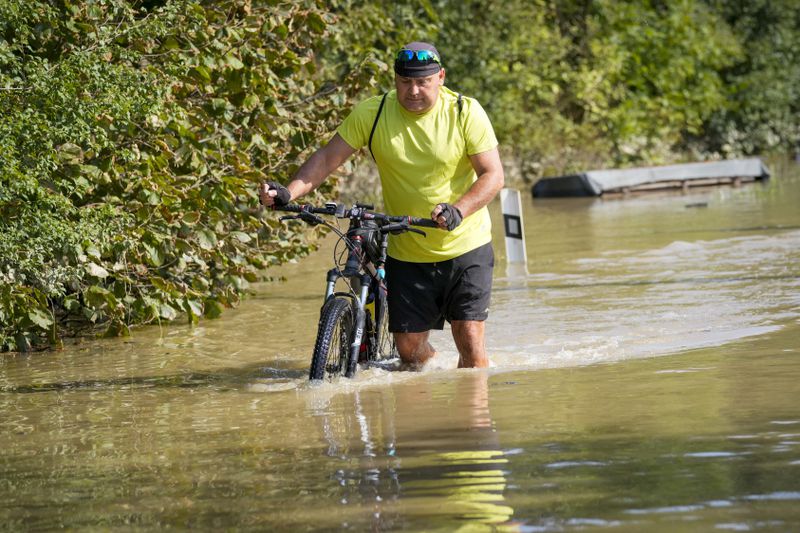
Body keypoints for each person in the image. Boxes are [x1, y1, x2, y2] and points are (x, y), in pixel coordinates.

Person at [259, 42, 504, 369]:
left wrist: (458, 209)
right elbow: (327, 158)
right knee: (409, 352)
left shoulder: (464, 111)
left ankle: (469, 416)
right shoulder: (373, 113)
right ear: (395, 79)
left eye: (423, 82)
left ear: (441, 77)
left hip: (465, 244)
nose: (413, 90)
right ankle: (435, 381)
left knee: (470, 340)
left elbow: (493, 175)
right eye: (404, 82)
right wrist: (288, 193)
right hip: (407, 248)